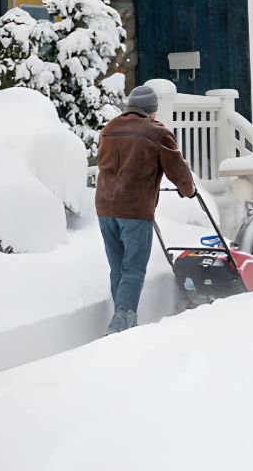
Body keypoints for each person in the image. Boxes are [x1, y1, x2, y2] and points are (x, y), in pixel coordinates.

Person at [95, 85, 195, 335]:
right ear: (152, 111)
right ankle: (121, 324)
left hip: (105, 208)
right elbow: (177, 167)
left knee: (118, 267)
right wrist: (188, 189)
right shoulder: (157, 133)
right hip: (134, 210)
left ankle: (124, 319)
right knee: (134, 268)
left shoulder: (109, 129)